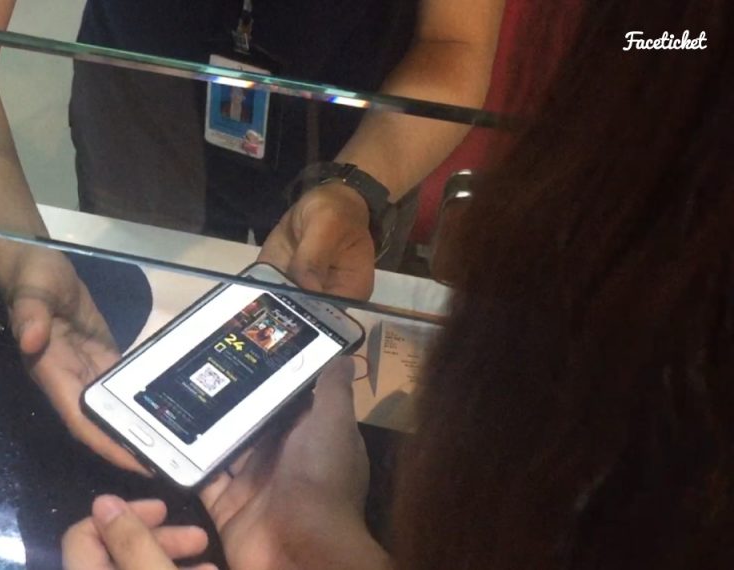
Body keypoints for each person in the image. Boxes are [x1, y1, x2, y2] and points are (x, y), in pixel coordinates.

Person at [60, 0, 734, 568]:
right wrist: (321, 536)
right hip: (148, 107)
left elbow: (461, 45)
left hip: (348, 119)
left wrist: (353, 187)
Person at [0, 0, 503, 470]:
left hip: (364, 121)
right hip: (140, 98)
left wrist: (357, 187)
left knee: (323, 362)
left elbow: (454, 44)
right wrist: (23, 263)